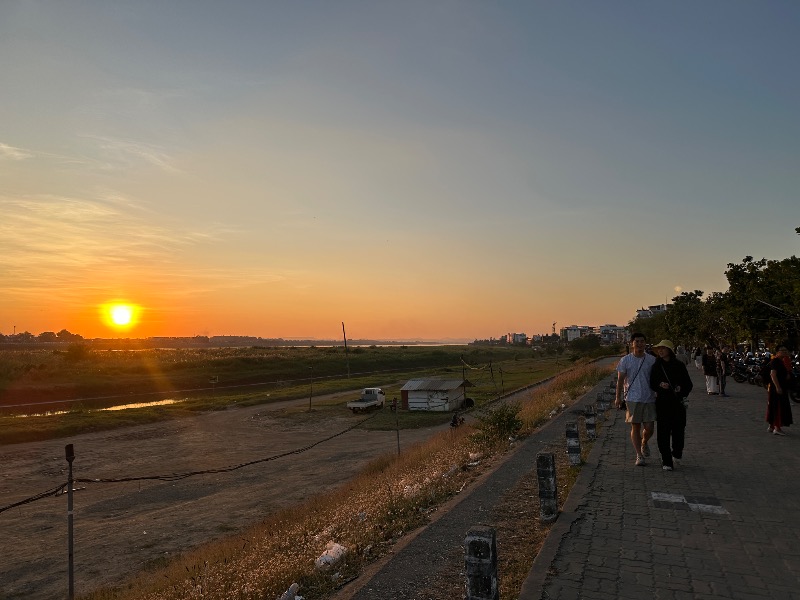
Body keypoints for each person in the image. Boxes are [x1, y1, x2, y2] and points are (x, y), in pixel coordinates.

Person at [650, 340, 693, 471]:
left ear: (669, 350)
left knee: (678, 431)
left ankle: (677, 452)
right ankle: (666, 460)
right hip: (662, 403)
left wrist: (681, 389)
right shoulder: (656, 366)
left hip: (677, 403)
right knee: (663, 433)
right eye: (659, 349)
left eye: (663, 348)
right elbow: (652, 383)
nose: (660, 351)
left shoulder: (679, 365)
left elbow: (688, 384)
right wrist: (660, 385)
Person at [616, 332, 657, 466]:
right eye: (637, 341)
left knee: (649, 427)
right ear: (632, 343)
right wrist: (618, 397)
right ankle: (639, 455)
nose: (639, 344)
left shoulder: (652, 360)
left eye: (642, 341)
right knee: (636, 426)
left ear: (645, 343)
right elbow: (620, 380)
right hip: (632, 398)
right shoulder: (625, 360)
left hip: (649, 397)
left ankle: (644, 442)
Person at [766, 346, 793, 435]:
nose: (785, 352)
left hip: (780, 387)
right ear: (777, 352)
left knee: (773, 406)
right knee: (778, 407)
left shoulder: (781, 361)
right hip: (777, 388)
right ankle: (777, 428)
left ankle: (771, 426)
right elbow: (773, 375)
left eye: (785, 350)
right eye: (782, 350)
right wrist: (778, 387)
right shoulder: (775, 361)